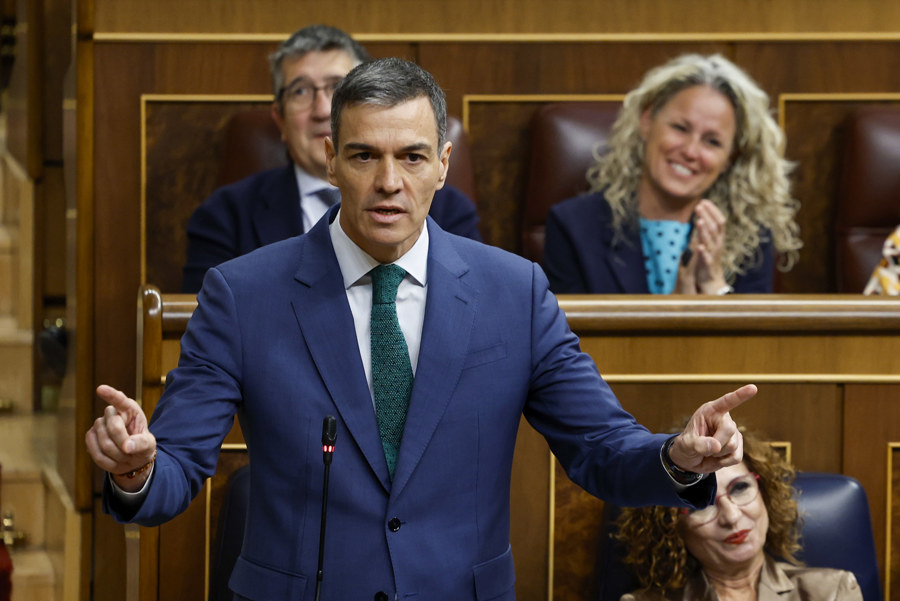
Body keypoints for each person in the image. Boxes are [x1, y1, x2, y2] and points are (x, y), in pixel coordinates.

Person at [86, 58, 758, 601]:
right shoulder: (243, 293)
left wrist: (676, 456)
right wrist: (137, 469)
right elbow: (173, 470)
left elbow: (601, 449)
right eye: (363, 156)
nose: (388, 182)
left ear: (442, 162)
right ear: (329, 160)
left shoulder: (514, 293)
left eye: (410, 157)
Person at [181, 24, 482, 293]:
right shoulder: (226, 215)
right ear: (280, 118)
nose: (323, 109)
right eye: (300, 91)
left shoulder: (449, 210)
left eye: (338, 87)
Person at [543, 54, 802, 295]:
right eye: (680, 128)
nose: (690, 151)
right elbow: (569, 341)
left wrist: (714, 288)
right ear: (647, 122)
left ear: (729, 158)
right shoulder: (573, 226)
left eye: (712, 142)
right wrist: (676, 311)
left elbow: (755, 345)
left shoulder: (753, 238)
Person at [614, 429, 862, 601]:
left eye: (740, 488)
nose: (731, 517)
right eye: (703, 505)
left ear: (765, 494)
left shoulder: (832, 592)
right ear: (672, 527)